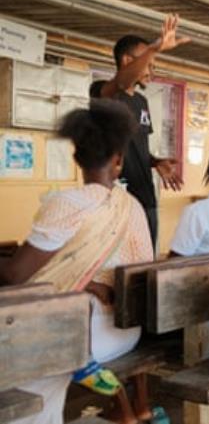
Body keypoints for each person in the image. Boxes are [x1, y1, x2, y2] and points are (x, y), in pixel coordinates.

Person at [0, 100, 155, 424]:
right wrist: (87, 281)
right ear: (119, 160)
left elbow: (15, 275)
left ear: (76, 158)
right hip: (126, 331)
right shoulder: (133, 206)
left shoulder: (67, 202)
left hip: (78, 335)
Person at [91, 14, 189, 247]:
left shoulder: (143, 102)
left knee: (145, 263)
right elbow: (121, 83)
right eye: (147, 63)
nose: (150, 70)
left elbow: (138, 148)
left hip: (146, 198)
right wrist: (155, 47)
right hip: (118, 197)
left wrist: (156, 162)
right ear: (127, 61)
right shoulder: (103, 93)